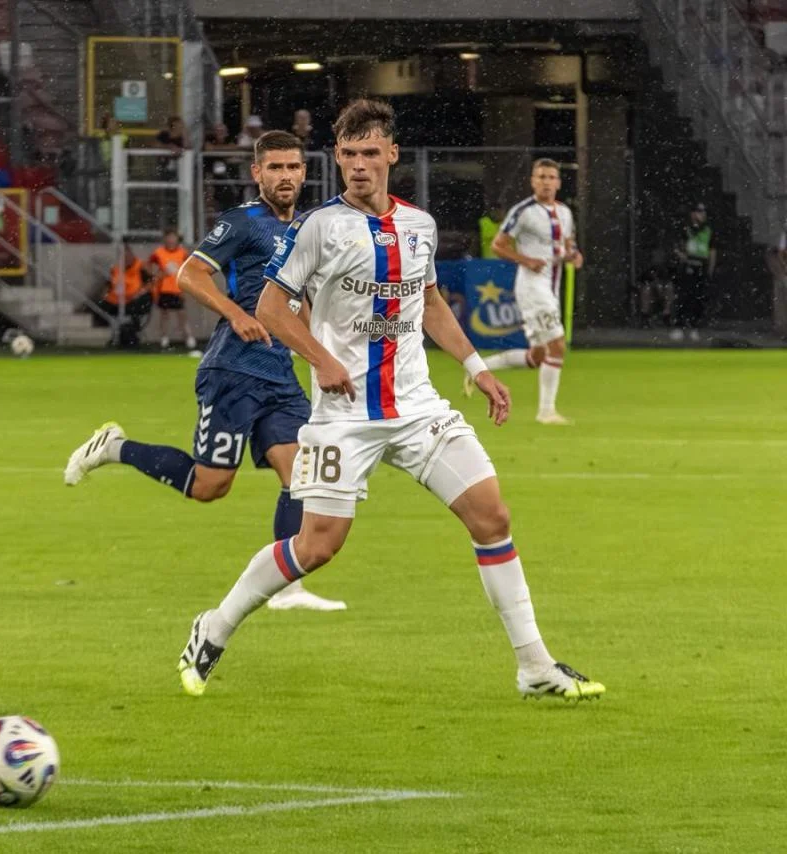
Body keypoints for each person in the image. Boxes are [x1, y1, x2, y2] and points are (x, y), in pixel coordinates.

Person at [176, 98, 604, 701]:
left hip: (418, 409)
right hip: (343, 416)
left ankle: (534, 667)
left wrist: (478, 368)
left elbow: (429, 303)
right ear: (337, 158)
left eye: (370, 153)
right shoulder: (316, 227)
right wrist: (321, 359)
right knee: (317, 545)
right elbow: (271, 308)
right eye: (348, 154)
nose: (358, 165)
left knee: (492, 517)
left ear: (391, 155)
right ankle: (215, 626)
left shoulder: (419, 225)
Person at [65, 131, 345, 612]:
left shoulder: (306, 229)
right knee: (209, 486)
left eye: (293, 167)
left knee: (301, 474)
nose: (285, 176)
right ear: (257, 173)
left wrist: (321, 353)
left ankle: (288, 590)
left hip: (279, 374)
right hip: (233, 370)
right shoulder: (242, 222)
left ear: (304, 172)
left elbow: (294, 301)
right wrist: (236, 314)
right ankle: (114, 447)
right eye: (274, 167)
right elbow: (190, 274)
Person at [477, 159, 583, 425]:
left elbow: (567, 243)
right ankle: (546, 412)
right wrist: (526, 260)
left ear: (558, 183)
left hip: (552, 286)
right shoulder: (523, 211)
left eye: (551, 177)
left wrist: (574, 254)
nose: (546, 182)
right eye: (541, 177)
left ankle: (480, 369)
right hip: (532, 287)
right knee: (557, 346)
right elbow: (499, 245)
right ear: (533, 181)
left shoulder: (565, 212)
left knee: (538, 356)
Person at [673, 202, 715, 342]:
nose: (703, 215)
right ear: (692, 214)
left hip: (701, 266)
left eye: (704, 212)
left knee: (698, 298)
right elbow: (677, 247)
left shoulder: (708, 230)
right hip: (688, 266)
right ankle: (679, 326)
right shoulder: (686, 229)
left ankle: (694, 326)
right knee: (684, 296)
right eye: (699, 212)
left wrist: (710, 270)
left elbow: (712, 250)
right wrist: (682, 256)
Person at [147, 228, 195, 350]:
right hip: (164, 288)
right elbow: (148, 265)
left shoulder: (182, 253)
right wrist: (156, 276)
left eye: (173, 237)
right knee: (164, 314)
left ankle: (188, 338)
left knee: (182, 314)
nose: (171, 240)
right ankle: (164, 338)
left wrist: (185, 285)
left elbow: (189, 268)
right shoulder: (159, 253)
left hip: (178, 288)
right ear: (165, 239)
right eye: (169, 237)